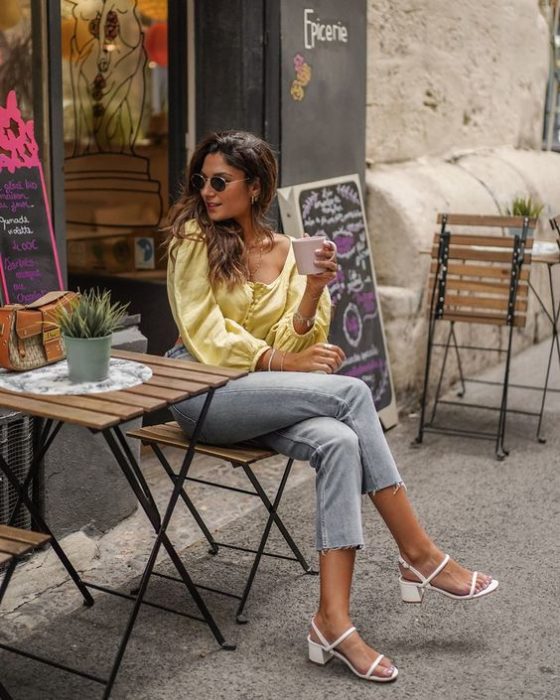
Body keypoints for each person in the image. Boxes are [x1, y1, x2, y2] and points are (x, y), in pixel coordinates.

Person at [164, 130, 498, 683]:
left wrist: (315, 289)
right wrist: (281, 362)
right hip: (201, 395)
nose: (206, 191)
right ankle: (418, 552)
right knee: (352, 392)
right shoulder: (192, 240)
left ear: (256, 185)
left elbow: (297, 343)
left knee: (340, 441)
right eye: (201, 180)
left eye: (219, 181)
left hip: (260, 397)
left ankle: (332, 621)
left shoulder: (286, 251)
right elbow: (205, 335)